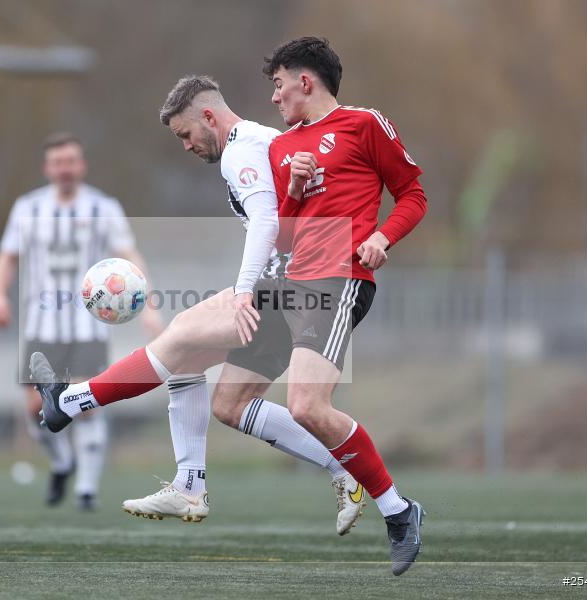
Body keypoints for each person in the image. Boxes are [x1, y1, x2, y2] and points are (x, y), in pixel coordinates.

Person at [32, 76, 365, 534]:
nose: (186, 146)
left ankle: (68, 401)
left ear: (209, 117)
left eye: (185, 134)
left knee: (183, 335)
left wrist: (246, 288)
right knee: (226, 402)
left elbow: (267, 222)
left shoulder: (240, 150)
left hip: (292, 283)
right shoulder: (263, 141)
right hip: (294, 279)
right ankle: (202, 481)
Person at [259, 36, 428, 575]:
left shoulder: (364, 124)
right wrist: (294, 187)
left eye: (279, 84)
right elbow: (283, 240)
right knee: (228, 399)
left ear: (305, 82)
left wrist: (382, 237)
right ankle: (190, 477)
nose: (274, 97)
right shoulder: (282, 148)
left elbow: (414, 195)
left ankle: (398, 512)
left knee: (307, 405)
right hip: (293, 283)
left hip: (342, 277)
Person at [0, 132, 162, 511]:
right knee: (34, 407)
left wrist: (147, 305)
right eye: (57, 162)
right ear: (47, 168)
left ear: (81, 165)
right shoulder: (27, 208)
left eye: (71, 161)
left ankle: (86, 489)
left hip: (88, 326)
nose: (64, 168)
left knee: (86, 401)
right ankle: (62, 462)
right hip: (41, 322)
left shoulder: (104, 207)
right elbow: (7, 257)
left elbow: (129, 257)